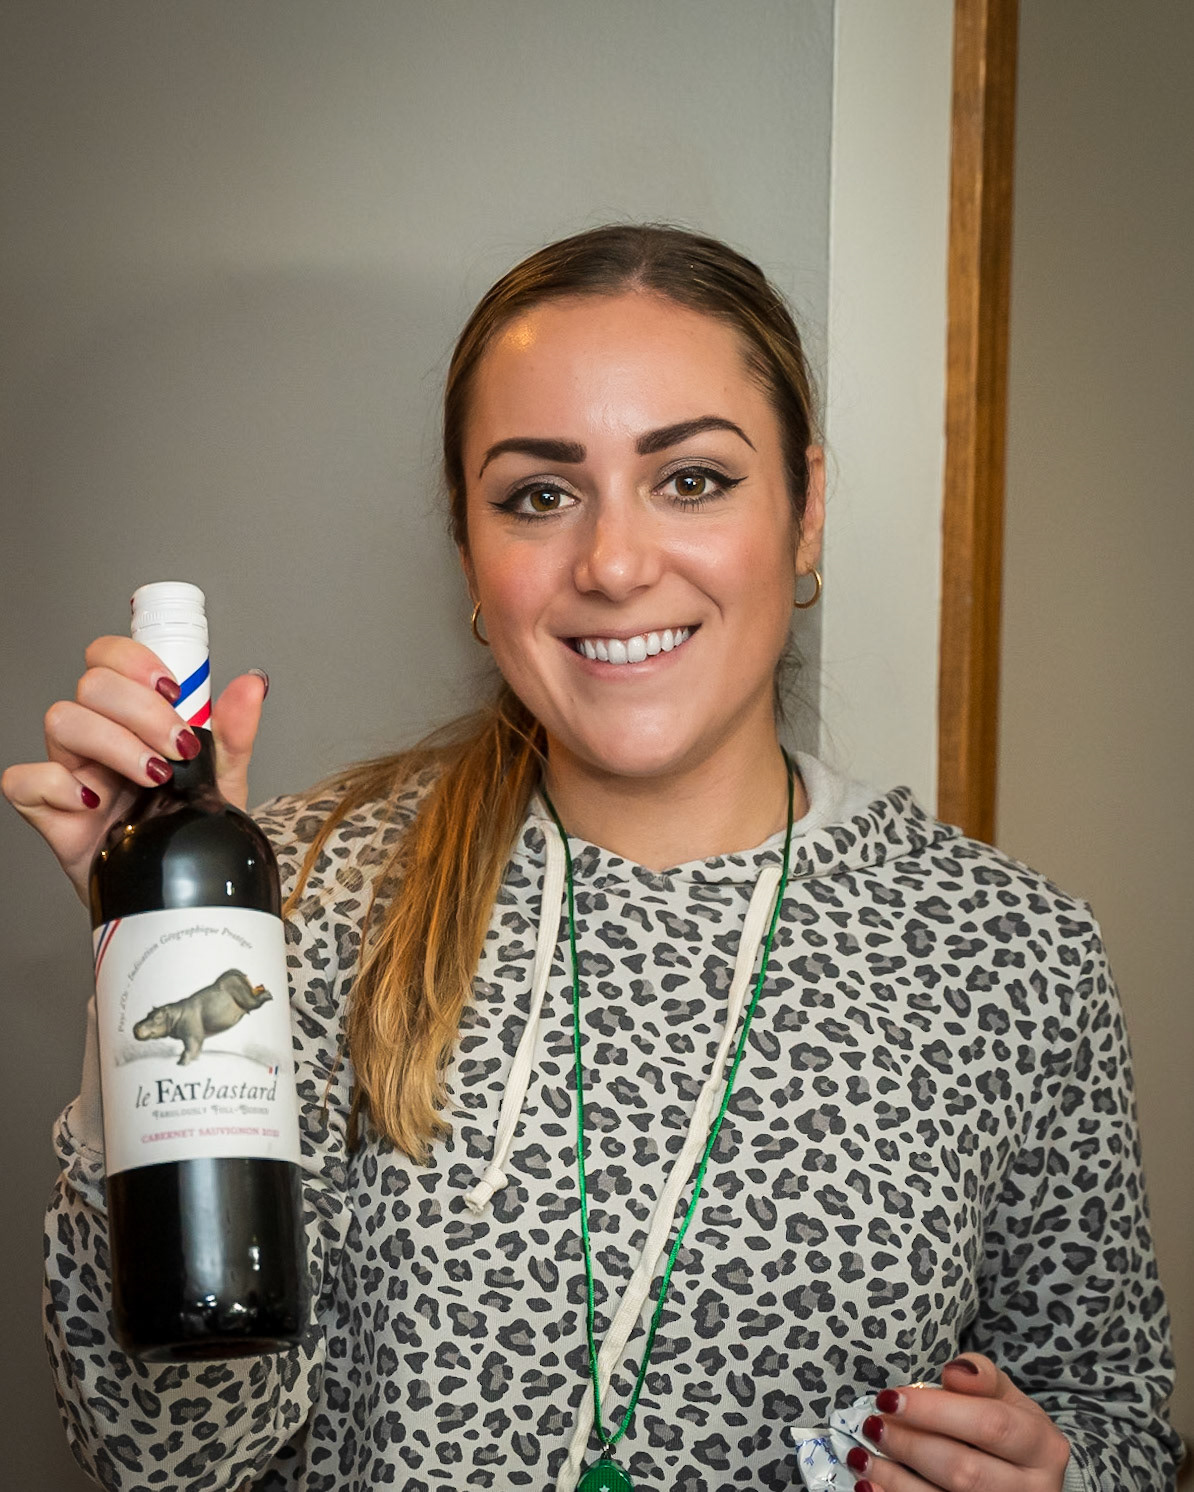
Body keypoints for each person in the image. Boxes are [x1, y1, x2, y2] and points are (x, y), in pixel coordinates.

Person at [4, 225, 1181, 1492]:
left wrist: (1058, 1478)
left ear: (806, 509)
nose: (615, 565)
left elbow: (1113, 1411)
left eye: (693, 479)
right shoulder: (303, 893)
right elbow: (169, 1461)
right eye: (539, 496)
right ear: (469, 547)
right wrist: (152, 955)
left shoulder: (1012, 953)